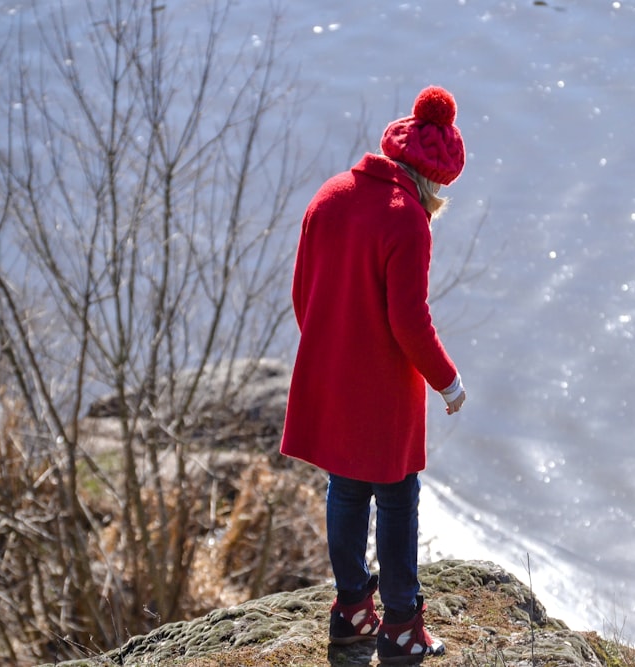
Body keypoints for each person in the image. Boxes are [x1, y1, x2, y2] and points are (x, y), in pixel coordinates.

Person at [280, 85, 467, 663]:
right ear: (432, 180)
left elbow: (301, 291)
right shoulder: (407, 221)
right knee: (396, 497)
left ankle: (352, 608)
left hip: (334, 374)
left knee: (344, 488)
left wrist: (332, 346)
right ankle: (403, 625)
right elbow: (410, 320)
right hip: (384, 389)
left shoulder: (330, 194)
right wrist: (447, 381)